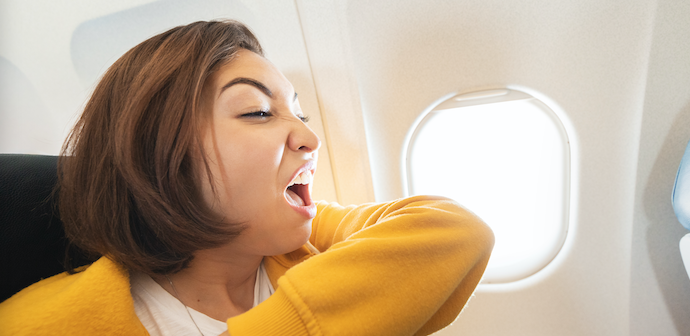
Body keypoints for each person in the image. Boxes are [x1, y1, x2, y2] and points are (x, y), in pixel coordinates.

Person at [0, 20, 494, 336]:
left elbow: (455, 230)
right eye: (259, 112)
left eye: (300, 113)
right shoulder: (35, 324)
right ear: (160, 155)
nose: (308, 137)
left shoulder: (312, 264)